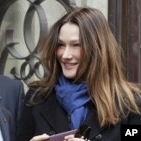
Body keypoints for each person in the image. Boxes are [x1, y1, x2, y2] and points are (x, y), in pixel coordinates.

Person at [17, 7, 141, 141]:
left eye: (76, 45)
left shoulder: (130, 103)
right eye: (60, 45)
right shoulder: (37, 97)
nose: (65, 55)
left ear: (97, 49)